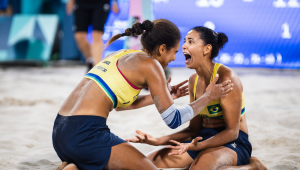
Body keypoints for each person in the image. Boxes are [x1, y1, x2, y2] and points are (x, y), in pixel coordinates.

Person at [52, 20, 234, 170]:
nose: (173, 59)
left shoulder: (122, 54)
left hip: (60, 131)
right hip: (85, 133)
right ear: (162, 49)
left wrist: (163, 96)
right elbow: (173, 120)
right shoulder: (151, 65)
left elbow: (121, 105)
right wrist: (207, 97)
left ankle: (74, 167)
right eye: (174, 52)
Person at [126, 26, 267, 170]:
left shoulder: (226, 78)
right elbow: (193, 130)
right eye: (185, 41)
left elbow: (232, 132)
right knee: (144, 163)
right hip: (201, 139)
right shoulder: (193, 80)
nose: (184, 46)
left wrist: (199, 145)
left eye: (190, 42)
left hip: (233, 142)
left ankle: (254, 166)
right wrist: (157, 140)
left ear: (206, 49)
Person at [66, 0, 119, 72]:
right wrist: (71, 1)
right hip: (81, 3)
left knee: (97, 34)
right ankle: (91, 59)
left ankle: (96, 69)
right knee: (79, 36)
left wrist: (115, 2)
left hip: (101, 3)